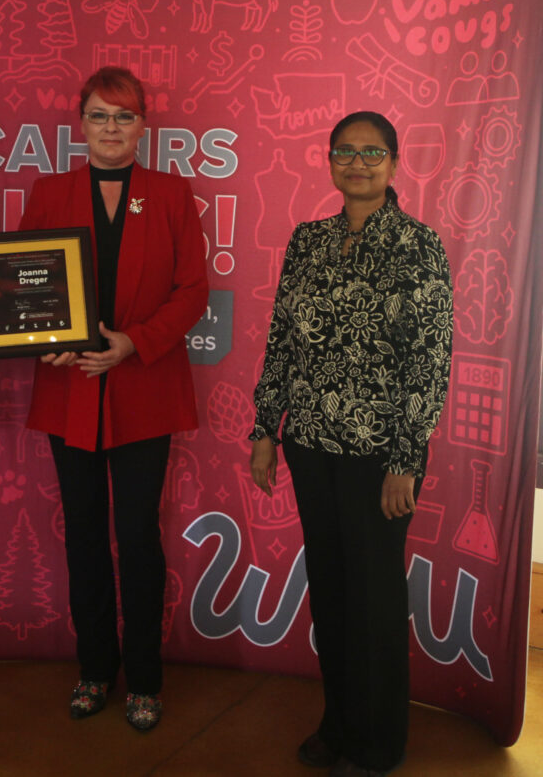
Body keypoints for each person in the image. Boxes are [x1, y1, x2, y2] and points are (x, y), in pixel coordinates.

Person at [249, 111, 453, 777]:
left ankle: (377, 741)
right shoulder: (307, 241)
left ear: (395, 164)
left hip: (377, 458)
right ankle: (337, 723)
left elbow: (429, 360)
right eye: (345, 151)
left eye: (372, 152)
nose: (357, 162)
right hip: (309, 445)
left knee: (374, 602)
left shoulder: (418, 248)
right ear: (329, 161)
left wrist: (406, 460)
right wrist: (264, 430)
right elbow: (282, 340)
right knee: (331, 593)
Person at [20, 66, 209, 731]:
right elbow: (28, 285)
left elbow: (193, 290)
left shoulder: (170, 191)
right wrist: (46, 335)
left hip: (143, 387)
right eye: (99, 115)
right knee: (84, 540)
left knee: (137, 536)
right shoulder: (49, 191)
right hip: (70, 388)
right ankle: (94, 669)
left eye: (123, 116)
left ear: (143, 127)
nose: (110, 128)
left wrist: (135, 342)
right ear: (80, 123)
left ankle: (146, 677)